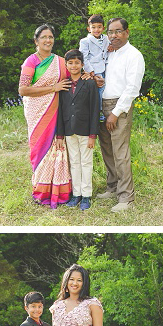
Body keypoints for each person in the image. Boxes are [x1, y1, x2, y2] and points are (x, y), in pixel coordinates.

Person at [18, 24, 71, 209]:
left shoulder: (61, 61)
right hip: (36, 111)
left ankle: (58, 190)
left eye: (50, 37)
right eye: (44, 37)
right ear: (36, 41)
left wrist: (90, 76)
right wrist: (52, 88)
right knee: (40, 148)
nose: (48, 40)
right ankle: (41, 190)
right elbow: (23, 90)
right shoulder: (30, 62)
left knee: (57, 148)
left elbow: (73, 76)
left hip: (55, 110)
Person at [96, 18, 144, 213]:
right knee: (106, 148)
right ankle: (113, 187)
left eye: (117, 31)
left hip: (119, 107)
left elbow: (132, 89)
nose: (113, 35)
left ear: (127, 32)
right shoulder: (109, 53)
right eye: (110, 32)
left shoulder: (134, 55)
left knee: (120, 151)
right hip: (102, 104)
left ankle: (126, 197)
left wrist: (115, 113)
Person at [54, 50, 100, 211]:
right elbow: (60, 110)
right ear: (66, 65)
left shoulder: (89, 83)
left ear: (82, 65)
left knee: (86, 162)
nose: (74, 66)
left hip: (86, 130)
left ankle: (86, 195)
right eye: (70, 63)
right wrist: (59, 134)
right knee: (74, 162)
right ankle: (76, 194)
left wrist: (93, 134)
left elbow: (95, 109)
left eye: (77, 63)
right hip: (68, 130)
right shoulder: (63, 84)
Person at [78, 14, 109, 122]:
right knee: (99, 90)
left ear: (103, 28)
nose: (96, 29)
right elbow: (84, 58)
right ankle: (98, 111)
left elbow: (108, 48)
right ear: (89, 28)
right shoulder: (85, 41)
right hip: (95, 69)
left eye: (99, 27)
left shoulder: (106, 38)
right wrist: (92, 72)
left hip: (105, 67)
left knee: (105, 90)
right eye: (94, 27)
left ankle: (103, 110)